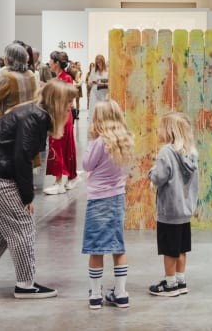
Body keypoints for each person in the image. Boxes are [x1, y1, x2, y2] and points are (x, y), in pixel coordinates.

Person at [0, 80, 75, 298]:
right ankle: (25, 285)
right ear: (57, 102)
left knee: (8, 224)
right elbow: (22, 159)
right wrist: (27, 196)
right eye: (69, 102)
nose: (71, 107)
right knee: (22, 222)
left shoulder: (36, 114)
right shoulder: (35, 118)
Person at [82, 100, 134, 309]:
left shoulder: (99, 142)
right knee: (117, 246)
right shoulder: (127, 140)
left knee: (96, 248)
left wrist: (92, 141)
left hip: (97, 200)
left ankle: (95, 294)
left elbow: (87, 164)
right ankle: (121, 293)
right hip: (117, 198)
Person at [148, 112, 199, 297]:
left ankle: (169, 285)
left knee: (169, 250)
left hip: (169, 212)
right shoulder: (191, 153)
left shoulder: (166, 152)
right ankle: (180, 280)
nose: (158, 130)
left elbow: (159, 177)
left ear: (169, 131)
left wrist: (151, 173)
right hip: (185, 211)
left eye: (161, 127)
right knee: (181, 248)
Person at [44, 51, 79, 194]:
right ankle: (71, 177)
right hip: (59, 115)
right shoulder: (59, 78)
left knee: (58, 145)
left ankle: (59, 182)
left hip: (62, 116)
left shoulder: (66, 79)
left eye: (51, 61)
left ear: (56, 63)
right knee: (63, 146)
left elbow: (68, 100)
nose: (49, 63)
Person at [0, 43, 38, 121]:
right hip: (29, 121)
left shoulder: (8, 78)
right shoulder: (31, 74)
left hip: (10, 123)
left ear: (8, 60)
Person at [88, 55, 109, 121]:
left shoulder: (108, 70)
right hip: (95, 93)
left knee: (104, 110)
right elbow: (89, 82)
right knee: (94, 109)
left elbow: (112, 82)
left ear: (103, 62)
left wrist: (104, 83)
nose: (99, 64)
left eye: (100, 62)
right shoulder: (94, 70)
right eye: (97, 63)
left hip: (104, 93)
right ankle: (94, 126)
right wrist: (92, 82)